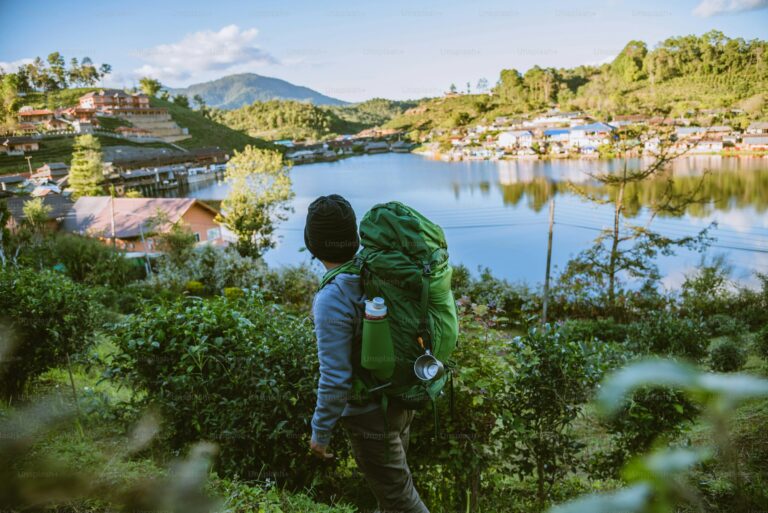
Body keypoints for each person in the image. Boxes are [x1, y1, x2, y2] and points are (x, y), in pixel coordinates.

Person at [304, 194, 430, 513]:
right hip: (398, 399)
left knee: (400, 500)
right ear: (355, 237)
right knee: (389, 495)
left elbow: (335, 379)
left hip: (369, 415)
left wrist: (320, 434)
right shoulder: (372, 270)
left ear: (312, 244)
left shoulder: (331, 298)